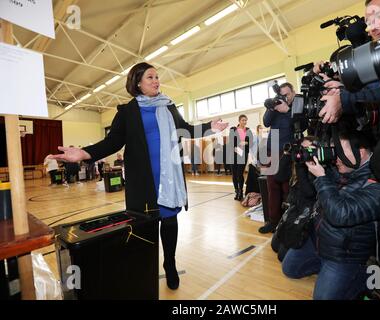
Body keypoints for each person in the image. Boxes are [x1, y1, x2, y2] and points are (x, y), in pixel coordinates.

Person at [49, 62, 228, 290]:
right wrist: (84, 152)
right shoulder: (127, 111)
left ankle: (170, 264)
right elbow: (112, 142)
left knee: (170, 221)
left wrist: (209, 127)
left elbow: (185, 129)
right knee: (146, 226)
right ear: (138, 83)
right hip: (143, 180)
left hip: (168, 178)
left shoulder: (168, 106)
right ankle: (147, 268)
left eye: (157, 77)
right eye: (150, 77)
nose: (156, 81)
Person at [281, 129, 380, 300]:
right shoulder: (343, 166)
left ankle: (365, 276)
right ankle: (328, 272)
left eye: (340, 152)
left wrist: (321, 177)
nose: (336, 158)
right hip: (319, 240)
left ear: (360, 152)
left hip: (345, 255)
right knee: (290, 269)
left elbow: (340, 215)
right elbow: (313, 191)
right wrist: (307, 158)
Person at [259, 83, 296, 233]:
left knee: (287, 187)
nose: (285, 98)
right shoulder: (275, 105)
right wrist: (271, 106)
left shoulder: (297, 105)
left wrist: (287, 110)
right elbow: (266, 122)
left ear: (293, 92)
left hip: (288, 150)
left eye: (287, 94)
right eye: (282, 95)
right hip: (272, 148)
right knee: (272, 187)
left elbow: (302, 124)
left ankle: (288, 222)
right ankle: (273, 221)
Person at [229, 115, 253, 201]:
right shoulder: (233, 129)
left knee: (239, 174)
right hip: (234, 154)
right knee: (234, 174)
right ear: (239, 121)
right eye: (243, 120)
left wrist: (245, 143)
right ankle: (236, 191)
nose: (244, 122)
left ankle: (241, 191)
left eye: (246, 120)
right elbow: (231, 142)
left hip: (243, 154)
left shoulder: (248, 130)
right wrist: (237, 145)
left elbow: (250, 143)